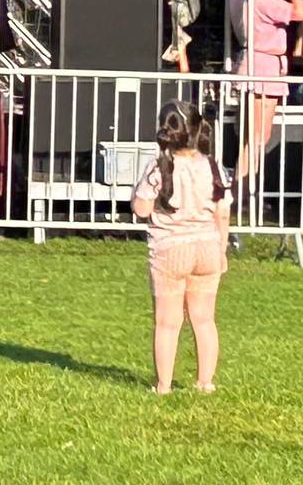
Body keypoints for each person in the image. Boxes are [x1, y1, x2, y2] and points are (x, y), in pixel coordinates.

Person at [130, 101, 230, 395]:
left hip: (170, 249)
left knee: (167, 322)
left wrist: (137, 197)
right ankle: (205, 382)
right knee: (204, 319)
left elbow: (143, 208)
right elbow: (222, 212)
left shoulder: (159, 166)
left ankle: (163, 385)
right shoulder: (212, 166)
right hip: (207, 247)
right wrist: (222, 250)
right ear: (198, 130)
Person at [239, 0, 303, 189]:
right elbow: (301, 12)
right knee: (258, 136)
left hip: (251, 61)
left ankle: (247, 188)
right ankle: (242, 190)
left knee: (253, 135)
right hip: (265, 65)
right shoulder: (265, 1)